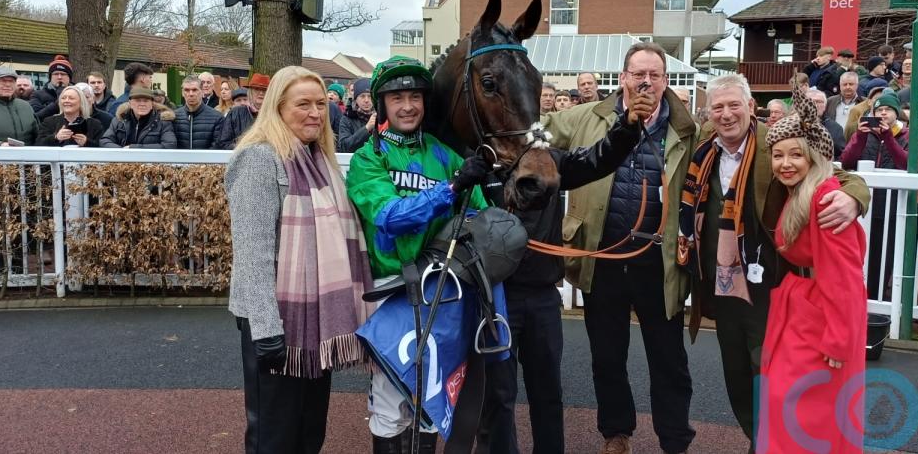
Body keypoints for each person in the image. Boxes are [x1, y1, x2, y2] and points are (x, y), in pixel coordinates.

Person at [677, 73, 869, 451]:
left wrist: (854, 197)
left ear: (752, 106)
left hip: (768, 288)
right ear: (708, 113)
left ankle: (769, 443)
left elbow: (832, 173)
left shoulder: (775, 143)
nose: (726, 114)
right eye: (718, 107)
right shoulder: (702, 149)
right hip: (721, 286)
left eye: (734, 105)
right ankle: (759, 439)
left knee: (772, 377)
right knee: (736, 375)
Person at [542, 42, 699, 454]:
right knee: (608, 357)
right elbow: (535, 129)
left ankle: (675, 440)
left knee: (669, 360)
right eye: (638, 74)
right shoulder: (587, 116)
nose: (646, 82)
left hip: (659, 264)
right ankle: (616, 433)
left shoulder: (688, 129)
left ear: (665, 80)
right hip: (603, 259)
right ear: (623, 77)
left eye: (654, 75)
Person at [477, 84, 651, 454]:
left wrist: (627, 127)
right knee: (497, 395)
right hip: (495, 298)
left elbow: (598, 159)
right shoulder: (479, 162)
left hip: (542, 296)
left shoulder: (549, 159)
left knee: (548, 393)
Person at [344, 55, 490, 452]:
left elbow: (478, 214)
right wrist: (450, 189)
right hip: (392, 290)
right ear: (381, 105)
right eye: (397, 98)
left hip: (443, 290)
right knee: (391, 401)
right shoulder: (369, 158)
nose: (408, 106)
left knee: (431, 400)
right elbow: (390, 217)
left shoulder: (445, 155)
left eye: (415, 97)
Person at [226, 65, 374, 454]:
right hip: (273, 318)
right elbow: (252, 252)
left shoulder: (320, 159)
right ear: (277, 107)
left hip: (314, 317)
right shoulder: (260, 158)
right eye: (303, 104)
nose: (315, 113)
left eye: (320, 104)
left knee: (309, 432)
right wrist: (266, 329)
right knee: (274, 436)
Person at [759, 80, 866, 454]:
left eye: (795, 155)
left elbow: (844, 275)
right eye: (778, 155)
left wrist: (838, 338)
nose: (785, 163)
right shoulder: (802, 191)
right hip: (803, 308)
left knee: (805, 410)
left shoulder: (825, 199)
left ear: (814, 158)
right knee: (789, 403)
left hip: (820, 316)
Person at [841, 91, 907, 300]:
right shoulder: (864, 134)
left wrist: (888, 138)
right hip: (864, 204)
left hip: (892, 205)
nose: (883, 113)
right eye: (879, 110)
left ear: (897, 113)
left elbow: (906, 163)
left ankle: (878, 296)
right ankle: (859, 295)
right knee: (861, 251)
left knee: (886, 253)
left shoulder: (906, 134)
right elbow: (847, 162)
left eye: (888, 110)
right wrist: (860, 137)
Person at [100, 87, 177, 148]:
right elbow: (105, 141)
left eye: (146, 101)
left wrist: (134, 148)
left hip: (152, 162)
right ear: (130, 103)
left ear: (152, 104)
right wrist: (122, 152)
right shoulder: (120, 119)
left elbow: (169, 145)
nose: (142, 104)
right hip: (122, 161)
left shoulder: (163, 121)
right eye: (138, 100)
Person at [36, 85, 105, 147]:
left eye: (71, 98)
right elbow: (38, 144)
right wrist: (56, 137)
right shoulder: (49, 122)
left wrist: (86, 142)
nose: (66, 101)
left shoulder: (94, 124)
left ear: (81, 102)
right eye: (63, 98)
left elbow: (102, 147)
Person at [216, 74, 270, 149]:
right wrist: (244, 148)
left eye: (264, 90)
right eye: (257, 89)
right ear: (250, 92)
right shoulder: (235, 113)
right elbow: (223, 142)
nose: (261, 93)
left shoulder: (275, 114)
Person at [174, 75, 223, 150]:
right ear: (182, 93)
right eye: (187, 90)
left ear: (202, 92)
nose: (191, 94)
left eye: (194, 90)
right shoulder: (174, 116)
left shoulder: (217, 118)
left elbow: (217, 146)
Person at [337, 78, 376, 153]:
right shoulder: (347, 118)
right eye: (362, 96)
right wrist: (366, 128)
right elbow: (344, 147)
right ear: (355, 99)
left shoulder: (381, 116)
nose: (366, 100)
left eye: (369, 96)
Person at [804, 88, 846, 158]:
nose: (815, 105)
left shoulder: (835, 128)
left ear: (824, 106)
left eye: (819, 102)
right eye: (811, 101)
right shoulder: (792, 124)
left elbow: (839, 156)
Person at [31, 55, 74, 120]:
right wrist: (56, 104)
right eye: (56, 74)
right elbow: (35, 117)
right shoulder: (37, 94)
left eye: (63, 74)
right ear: (50, 77)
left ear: (69, 77)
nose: (59, 77)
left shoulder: (78, 93)